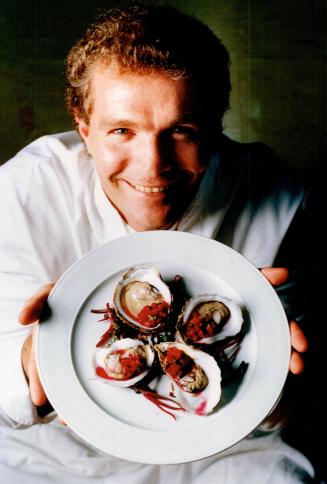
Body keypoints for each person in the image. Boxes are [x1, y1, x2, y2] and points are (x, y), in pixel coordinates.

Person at [0, 4, 315, 483]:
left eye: (183, 132)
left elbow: (281, 412)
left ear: (214, 128)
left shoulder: (277, 195)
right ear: (84, 129)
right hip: (55, 454)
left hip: (227, 451)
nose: (152, 166)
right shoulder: (23, 192)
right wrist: (28, 361)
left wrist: (280, 383)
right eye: (121, 131)